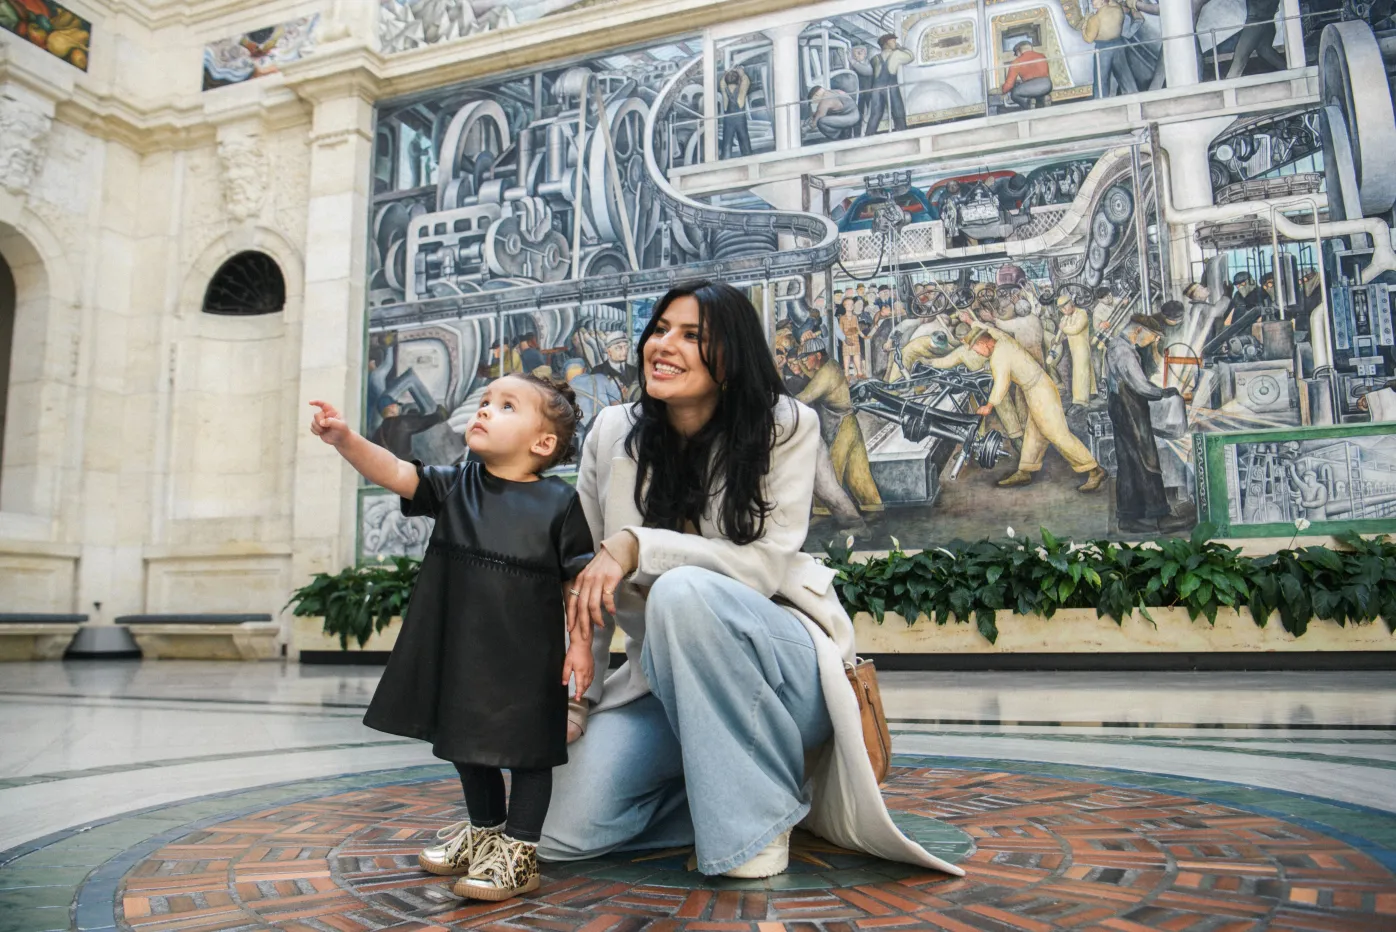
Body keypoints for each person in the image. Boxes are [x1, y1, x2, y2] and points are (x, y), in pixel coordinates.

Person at [544, 282, 960, 880]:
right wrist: (577, 699)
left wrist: (639, 546)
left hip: (782, 668)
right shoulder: (613, 430)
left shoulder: (786, 424)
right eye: (660, 329)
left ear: (732, 355)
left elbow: (762, 565)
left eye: (691, 335)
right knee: (562, 831)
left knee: (683, 592)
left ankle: (753, 827)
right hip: (662, 678)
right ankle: (727, 787)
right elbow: (591, 582)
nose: (663, 345)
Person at [308, 375, 595, 902]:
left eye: (505, 406)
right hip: (463, 650)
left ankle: (518, 850)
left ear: (543, 443)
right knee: (467, 744)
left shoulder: (561, 503)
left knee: (530, 753)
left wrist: (579, 645)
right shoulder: (457, 484)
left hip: (529, 658)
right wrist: (345, 439)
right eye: (484, 401)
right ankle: (485, 831)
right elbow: (395, 471)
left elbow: (578, 582)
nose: (484, 411)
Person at [970, 328, 1108, 491]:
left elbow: (1001, 383)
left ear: (982, 343)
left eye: (975, 349)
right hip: (1037, 388)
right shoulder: (1003, 341)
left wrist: (989, 405)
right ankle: (1025, 471)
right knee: (1034, 433)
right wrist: (971, 322)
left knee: (1057, 434)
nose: (977, 353)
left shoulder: (998, 357)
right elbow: (993, 331)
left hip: (1040, 391)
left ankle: (1094, 469)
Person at [1105, 318, 1186, 534]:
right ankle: (1162, 517)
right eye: (1154, 336)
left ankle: (1128, 518)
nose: (1155, 340)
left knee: (1129, 464)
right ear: (1139, 330)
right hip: (1130, 408)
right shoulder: (1124, 352)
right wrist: (1164, 392)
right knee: (1148, 460)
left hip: (1120, 406)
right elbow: (1141, 386)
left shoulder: (1117, 346)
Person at [797, 336, 884, 513]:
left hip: (839, 429)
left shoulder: (825, 374)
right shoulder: (831, 366)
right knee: (860, 477)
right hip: (850, 425)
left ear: (818, 355)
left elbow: (803, 398)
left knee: (825, 476)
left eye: (807, 357)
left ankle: (823, 517)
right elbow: (810, 372)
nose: (804, 361)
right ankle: (874, 512)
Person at [1084, 0, 1139, 98]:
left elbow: (1088, 39)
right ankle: (1135, 98)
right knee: (1125, 76)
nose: (1092, 1)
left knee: (1101, 81)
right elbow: (1114, 3)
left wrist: (1085, 24)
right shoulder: (1118, 10)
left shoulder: (1095, 19)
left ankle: (1101, 103)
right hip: (1118, 44)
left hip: (1103, 48)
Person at [369, 395, 448, 460]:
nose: (398, 408)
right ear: (392, 408)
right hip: (406, 468)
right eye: (396, 406)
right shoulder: (401, 422)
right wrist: (439, 415)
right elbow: (423, 423)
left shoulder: (378, 432)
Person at [864, 33, 914, 134]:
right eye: (893, 41)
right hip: (891, 87)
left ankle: (867, 138)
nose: (895, 43)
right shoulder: (896, 54)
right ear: (886, 43)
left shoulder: (875, 59)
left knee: (875, 115)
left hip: (876, 90)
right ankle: (903, 136)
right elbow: (910, 56)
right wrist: (901, 48)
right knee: (898, 114)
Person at [1001, 40, 1052, 109]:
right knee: (1038, 94)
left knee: (1014, 93)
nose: (1016, 56)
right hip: (1047, 84)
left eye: (1016, 54)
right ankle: (1043, 99)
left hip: (1031, 87)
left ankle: (1029, 103)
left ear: (1018, 52)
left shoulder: (1017, 62)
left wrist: (1002, 90)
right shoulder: (1042, 56)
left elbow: (1009, 84)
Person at [719, 66, 752, 158]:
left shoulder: (724, 90)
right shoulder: (741, 90)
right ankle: (747, 156)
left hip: (728, 119)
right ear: (738, 81)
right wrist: (742, 74)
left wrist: (726, 73)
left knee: (727, 142)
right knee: (744, 139)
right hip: (740, 118)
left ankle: (726, 157)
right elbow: (746, 82)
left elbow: (722, 83)